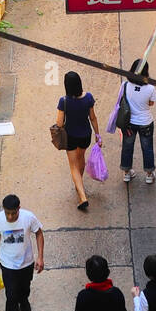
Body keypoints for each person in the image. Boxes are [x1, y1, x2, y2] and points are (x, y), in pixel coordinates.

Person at [0, 194, 44, 311]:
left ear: (19, 209)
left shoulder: (28, 217)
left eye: (13, 213)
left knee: (24, 287)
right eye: (7, 212)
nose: (10, 216)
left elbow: (39, 233)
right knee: (11, 296)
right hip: (8, 265)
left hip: (26, 263)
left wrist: (40, 257)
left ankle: (24, 299)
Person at [55, 71, 101, 210]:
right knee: (81, 158)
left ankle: (82, 197)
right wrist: (97, 135)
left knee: (73, 166)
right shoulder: (88, 98)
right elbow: (93, 117)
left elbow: (59, 123)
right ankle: (79, 184)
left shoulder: (63, 101)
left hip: (71, 137)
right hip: (85, 135)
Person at [118, 58, 156, 184]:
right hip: (145, 122)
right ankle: (149, 174)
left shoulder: (125, 85)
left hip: (129, 123)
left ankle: (126, 173)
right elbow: (151, 103)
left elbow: (120, 101)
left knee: (127, 146)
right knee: (147, 148)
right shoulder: (150, 88)